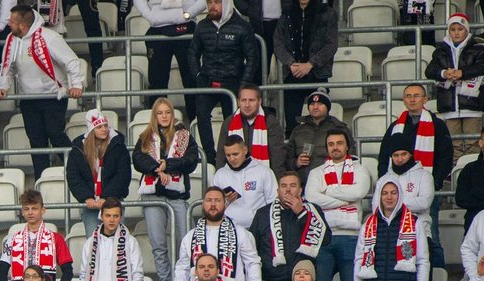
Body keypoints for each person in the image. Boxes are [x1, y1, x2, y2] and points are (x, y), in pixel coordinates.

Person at [0, 4, 82, 180]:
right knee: (36, 141)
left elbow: (72, 61)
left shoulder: (50, 37)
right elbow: (7, 67)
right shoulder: (12, 40)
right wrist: (3, 87)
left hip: (53, 97)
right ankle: (41, 180)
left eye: (12, 21)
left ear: (22, 25)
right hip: (28, 99)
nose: (8, 24)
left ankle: (79, 169)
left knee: (55, 134)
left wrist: (77, 85)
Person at [305, 130, 372, 281]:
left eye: (339, 143)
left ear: (347, 146)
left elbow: (359, 192)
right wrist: (345, 199)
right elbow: (311, 198)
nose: (335, 147)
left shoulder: (360, 169)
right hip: (324, 237)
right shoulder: (316, 172)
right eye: (331, 144)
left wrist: (329, 192)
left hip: (351, 238)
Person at [132, 97, 199, 281]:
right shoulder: (145, 136)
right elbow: (138, 159)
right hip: (153, 196)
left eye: (167, 112)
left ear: (173, 114)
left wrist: (167, 165)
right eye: (160, 113)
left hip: (177, 195)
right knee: (159, 245)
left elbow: (191, 160)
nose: (164, 116)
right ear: (155, 115)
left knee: (186, 242)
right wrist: (156, 168)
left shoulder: (184, 136)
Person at [377, 84, 454, 246]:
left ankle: (434, 262)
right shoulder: (395, 127)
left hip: (425, 190)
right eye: (408, 96)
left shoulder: (437, 125)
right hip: (396, 188)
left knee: (430, 237)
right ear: (404, 100)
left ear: (425, 99)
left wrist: (434, 183)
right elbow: (384, 156)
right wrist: (386, 183)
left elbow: (445, 158)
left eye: (416, 95)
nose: (412, 99)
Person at [250, 171, 331, 281]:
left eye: (293, 186)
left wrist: (301, 213)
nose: (287, 190)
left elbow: (326, 240)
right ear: (277, 191)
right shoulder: (263, 214)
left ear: (300, 190)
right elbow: (252, 250)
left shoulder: (313, 210)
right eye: (284, 186)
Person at [188, 0, 260, 166]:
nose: (212, 6)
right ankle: (210, 158)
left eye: (217, 2)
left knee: (232, 121)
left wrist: (243, 85)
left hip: (233, 82)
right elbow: (192, 53)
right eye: (209, 2)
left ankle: (230, 156)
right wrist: (198, 75)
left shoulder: (242, 26)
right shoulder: (202, 26)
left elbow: (252, 58)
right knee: (201, 114)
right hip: (208, 81)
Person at [352, 177, 429, 281]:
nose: (389, 197)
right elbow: (359, 261)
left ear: (400, 195)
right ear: (379, 196)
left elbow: (423, 261)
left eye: (393, 193)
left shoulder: (414, 223)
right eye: (385, 193)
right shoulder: (368, 225)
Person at [172, 186, 262, 281]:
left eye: (217, 200)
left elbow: (252, 262)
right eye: (209, 200)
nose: (213, 204)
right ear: (203, 204)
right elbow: (182, 269)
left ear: (225, 204)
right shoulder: (190, 236)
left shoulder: (240, 233)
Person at [425, 14, 484, 160]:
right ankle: (456, 172)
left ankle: (472, 170)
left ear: (466, 30)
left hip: (472, 105)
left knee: (473, 144)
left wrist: (463, 72)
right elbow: (429, 71)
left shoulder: (479, 49)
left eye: (460, 29)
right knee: (453, 145)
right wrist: (444, 73)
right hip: (449, 106)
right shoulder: (440, 51)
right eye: (453, 29)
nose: (456, 32)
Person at [272, 0, 337, 134]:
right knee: (292, 124)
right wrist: (290, 63)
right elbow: (278, 42)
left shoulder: (327, 13)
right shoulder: (286, 13)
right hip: (292, 74)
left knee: (322, 122)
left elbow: (331, 45)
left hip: (317, 74)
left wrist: (310, 64)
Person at [0, 191, 74, 281]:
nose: (30, 212)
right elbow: (1, 273)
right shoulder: (12, 240)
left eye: (34, 208)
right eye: (26, 209)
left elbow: (68, 271)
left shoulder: (55, 238)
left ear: (43, 210)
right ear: (22, 212)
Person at [66, 111, 131, 237]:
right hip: (90, 205)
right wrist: (87, 197)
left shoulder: (118, 146)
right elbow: (73, 176)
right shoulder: (78, 149)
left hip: (113, 203)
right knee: (93, 242)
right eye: (99, 127)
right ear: (91, 130)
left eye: (106, 126)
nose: (104, 129)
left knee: (117, 242)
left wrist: (106, 197)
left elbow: (123, 175)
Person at [132, 0, 198, 119]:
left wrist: (188, 14)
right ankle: (158, 126)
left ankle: (197, 123)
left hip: (187, 28)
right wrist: (150, 17)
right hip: (157, 30)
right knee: (157, 83)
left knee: (192, 81)